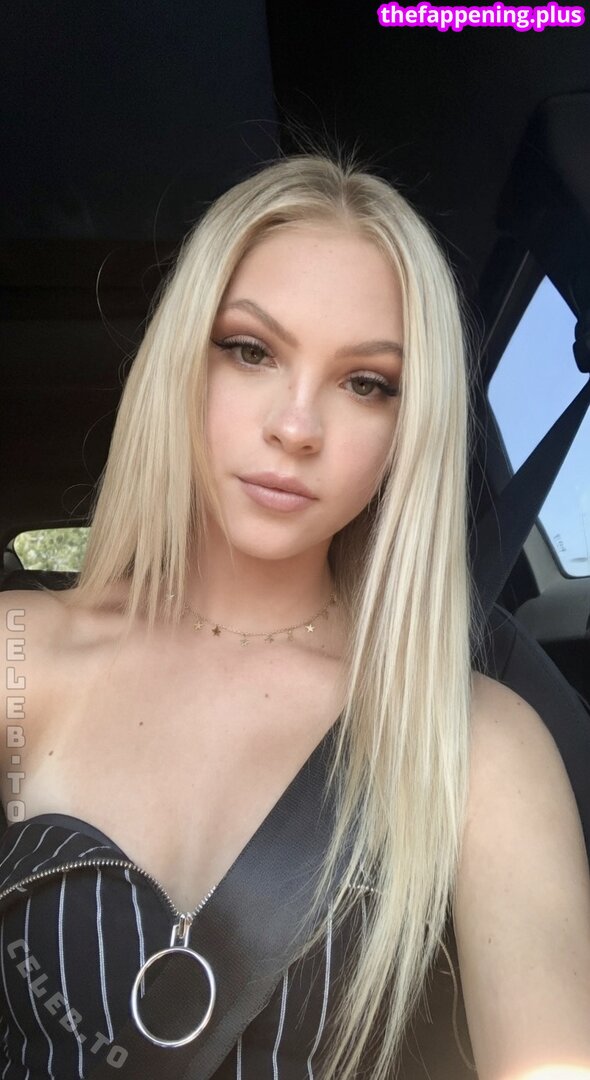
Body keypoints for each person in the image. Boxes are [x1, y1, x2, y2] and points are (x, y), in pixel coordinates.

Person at [1, 148, 590, 1080]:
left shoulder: (480, 744)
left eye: (367, 383)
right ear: (180, 365)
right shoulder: (18, 655)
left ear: (408, 433)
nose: (296, 426)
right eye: (251, 351)